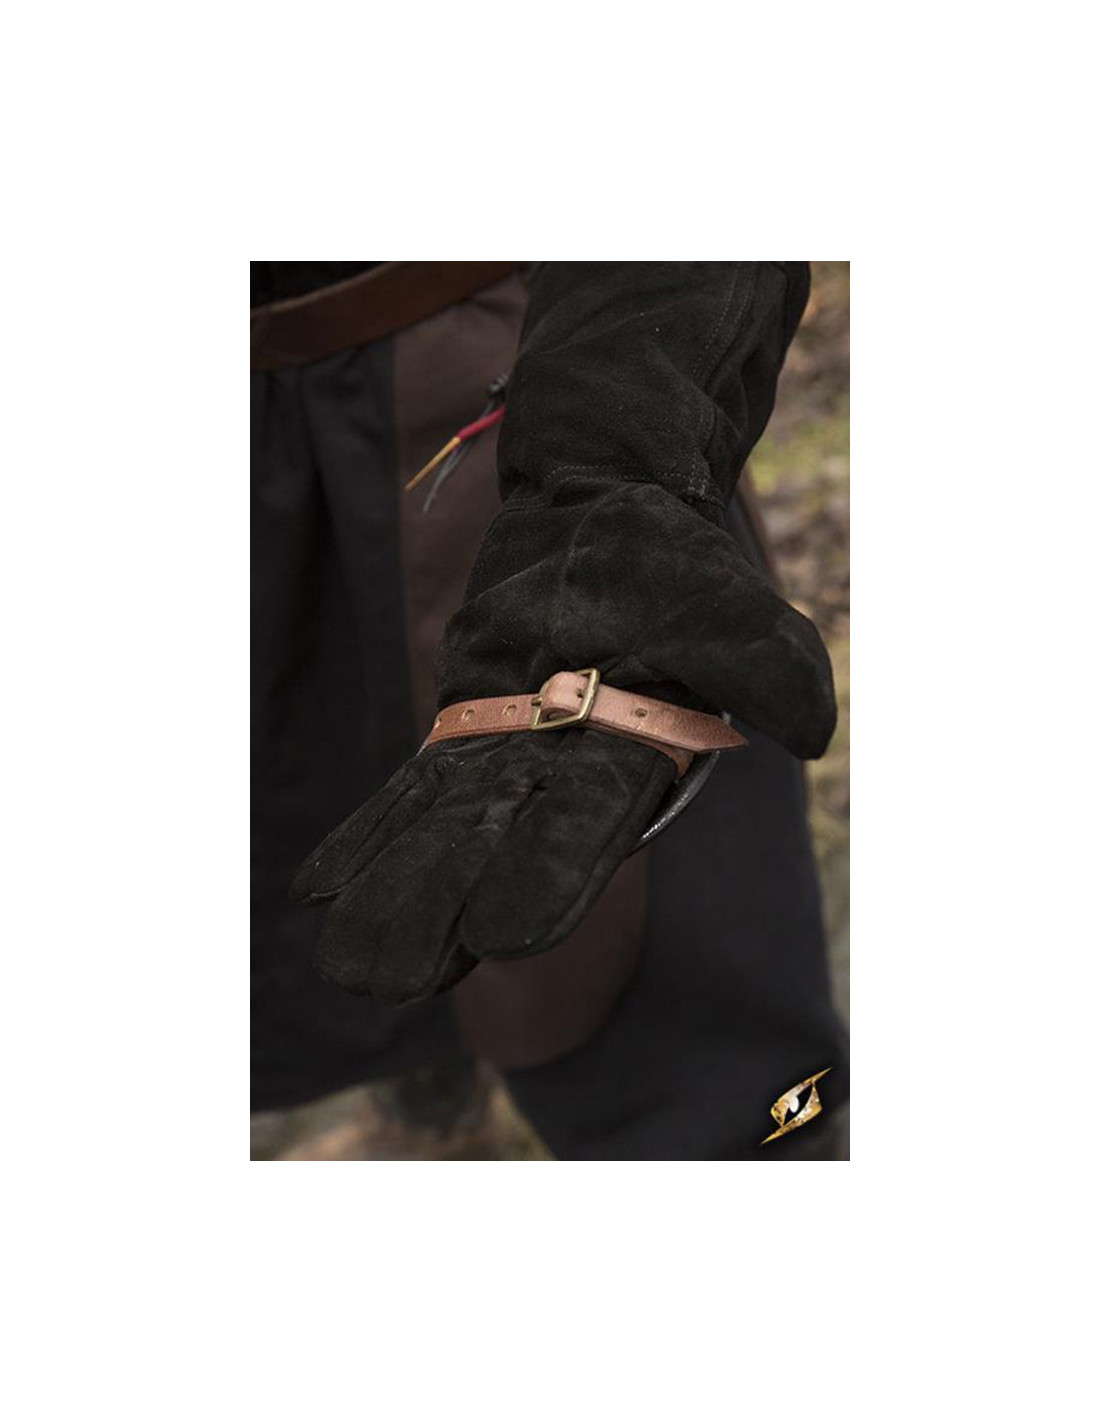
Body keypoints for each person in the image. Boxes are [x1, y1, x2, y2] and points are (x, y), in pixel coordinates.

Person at [252, 261, 848, 1159]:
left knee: (635, 948)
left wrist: (610, 471)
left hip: (531, 410)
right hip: (259, 471)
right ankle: (432, 1117)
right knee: (370, 864)